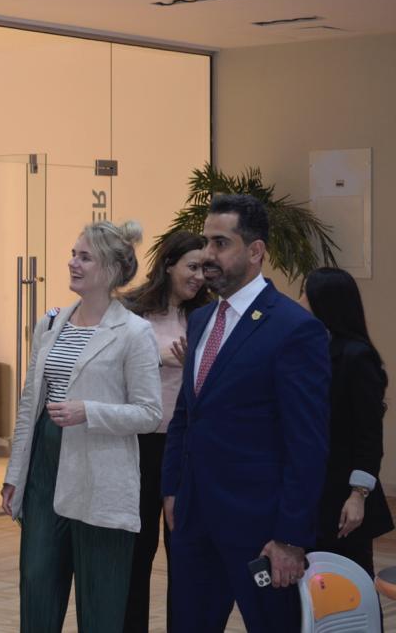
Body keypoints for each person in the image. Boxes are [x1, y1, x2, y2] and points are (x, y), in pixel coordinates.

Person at [161, 194, 331, 632]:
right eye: (206, 242)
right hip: (194, 522)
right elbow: (187, 414)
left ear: (255, 251)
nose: (207, 254)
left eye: (221, 243)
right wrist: (173, 489)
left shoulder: (294, 329)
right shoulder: (202, 320)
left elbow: (307, 444)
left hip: (261, 531)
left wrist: (290, 538)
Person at [1, 220, 162, 633]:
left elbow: (149, 413)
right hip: (44, 467)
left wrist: (89, 411)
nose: (72, 263)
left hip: (101, 475)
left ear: (111, 269)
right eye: (74, 254)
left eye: (85, 257)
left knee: (100, 602)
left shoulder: (134, 332)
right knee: (37, 587)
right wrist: (15, 474)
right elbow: (29, 404)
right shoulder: (50, 323)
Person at [121, 230, 210, 633]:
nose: (199, 277)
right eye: (192, 266)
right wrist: (156, 359)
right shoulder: (132, 310)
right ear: (169, 264)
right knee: (137, 552)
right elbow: (109, 368)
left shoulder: (206, 315)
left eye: (205, 269)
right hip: (139, 443)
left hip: (187, 446)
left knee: (186, 552)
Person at [301, 267, 393, 577]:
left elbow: (369, 435)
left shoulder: (356, 356)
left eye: (305, 294)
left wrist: (358, 494)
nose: (299, 302)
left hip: (344, 492)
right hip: (315, 488)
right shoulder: (312, 348)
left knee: (350, 580)